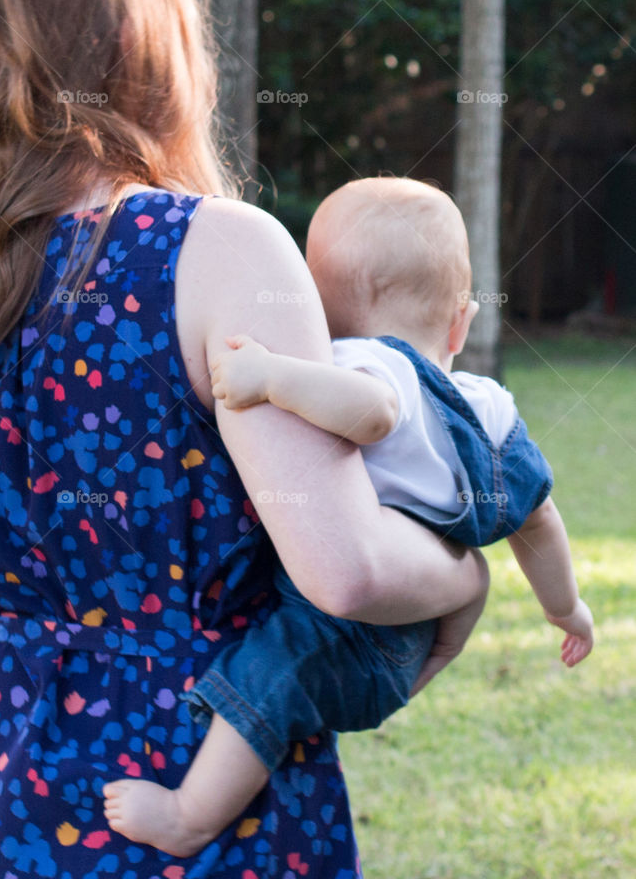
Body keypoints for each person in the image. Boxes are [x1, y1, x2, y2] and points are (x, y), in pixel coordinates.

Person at [0, 0, 488, 879]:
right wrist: (467, 571)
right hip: (194, 768)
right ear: (153, 37)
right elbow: (346, 569)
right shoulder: (215, 248)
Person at [103, 177, 594, 858]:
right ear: (460, 321)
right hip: (410, 641)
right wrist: (564, 607)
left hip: (344, 631)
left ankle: (190, 816)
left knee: (267, 680)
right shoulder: (488, 412)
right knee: (285, 677)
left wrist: (272, 376)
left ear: (312, 302)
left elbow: (372, 413)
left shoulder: (361, 364)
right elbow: (536, 516)